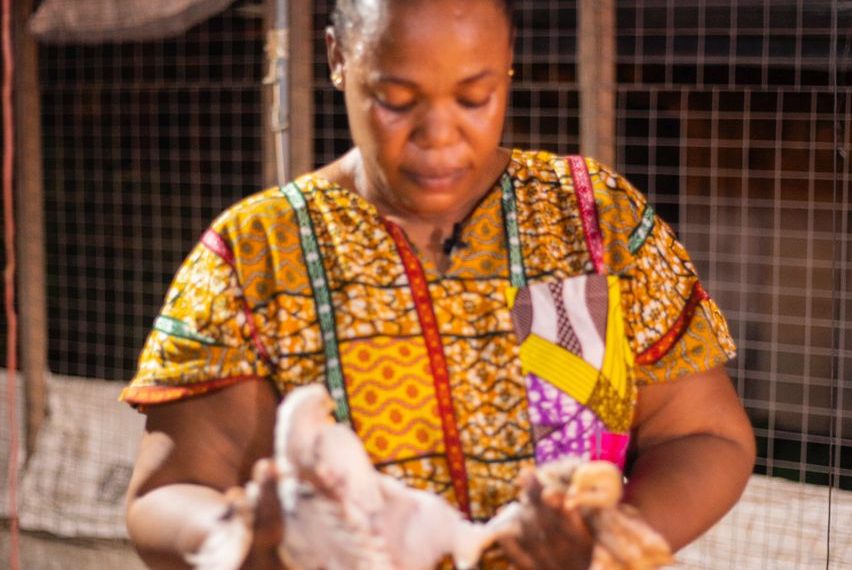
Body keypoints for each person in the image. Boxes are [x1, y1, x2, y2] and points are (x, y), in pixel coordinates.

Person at [122, 0, 756, 568]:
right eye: (397, 99)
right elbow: (165, 492)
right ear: (338, 59)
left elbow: (704, 435)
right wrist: (240, 539)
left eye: (473, 97)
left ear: (507, 60)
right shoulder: (258, 251)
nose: (439, 136)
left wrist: (608, 542)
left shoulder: (588, 219)